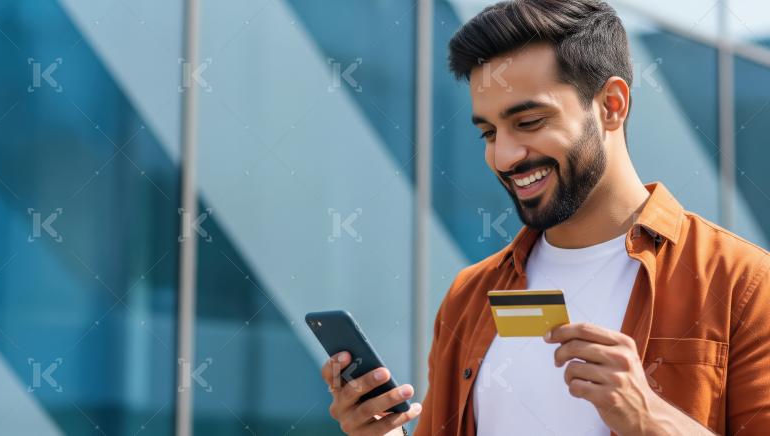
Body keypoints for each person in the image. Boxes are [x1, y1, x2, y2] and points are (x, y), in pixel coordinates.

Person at [320, 1, 770, 434]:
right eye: (489, 132)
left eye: (530, 122)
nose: (504, 155)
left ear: (611, 105)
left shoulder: (742, 283)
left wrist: (651, 419)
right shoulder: (470, 295)